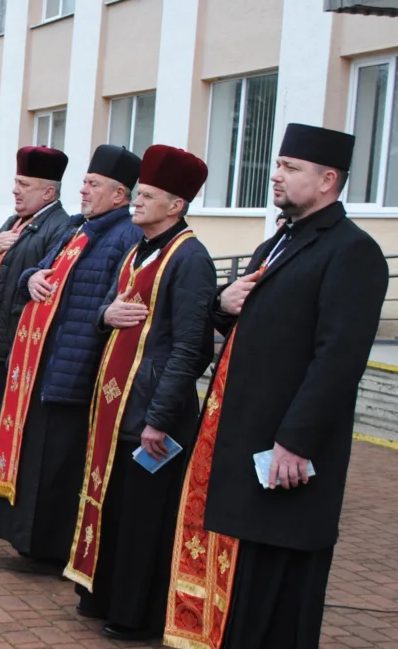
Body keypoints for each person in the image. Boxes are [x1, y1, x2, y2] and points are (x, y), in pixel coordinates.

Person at [165, 124, 389, 649]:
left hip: (283, 450)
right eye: (278, 165)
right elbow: (254, 323)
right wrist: (222, 305)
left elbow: (339, 360)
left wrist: (296, 440)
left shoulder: (352, 251)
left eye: (291, 167)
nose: (276, 175)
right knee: (243, 574)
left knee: (278, 581)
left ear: (327, 179)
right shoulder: (278, 241)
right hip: (243, 439)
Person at [63, 145, 215, 642]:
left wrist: (159, 417)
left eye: (147, 195)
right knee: (111, 505)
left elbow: (191, 348)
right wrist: (104, 315)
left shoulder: (190, 258)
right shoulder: (137, 249)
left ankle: (136, 614)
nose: (137, 201)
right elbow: (107, 308)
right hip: (115, 405)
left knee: (144, 518)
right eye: (138, 193)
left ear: (176, 205)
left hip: (151, 413)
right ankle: (101, 593)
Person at [0, 145, 141, 562]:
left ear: (119, 195)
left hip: (77, 368)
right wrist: (31, 279)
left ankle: (48, 548)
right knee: (37, 457)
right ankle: (27, 541)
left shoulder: (126, 235)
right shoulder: (78, 227)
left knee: (58, 465)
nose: (82, 190)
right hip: (44, 362)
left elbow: (118, 299)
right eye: (84, 182)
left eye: (93, 184)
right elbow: (39, 269)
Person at [0, 146, 70, 510]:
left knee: (1, 423)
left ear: (48, 192)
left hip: (17, 342)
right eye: (16, 183)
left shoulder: (60, 226)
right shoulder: (13, 221)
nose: (15, 190)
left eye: (24, 184)